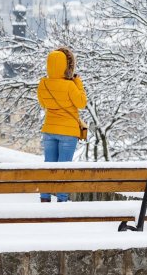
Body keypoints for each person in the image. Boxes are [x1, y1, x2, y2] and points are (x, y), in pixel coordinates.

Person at [36, 47, 87, 202]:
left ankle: (44, 198)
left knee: (48, 166)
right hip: (68, 133)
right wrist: (78, 82)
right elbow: (82, 103)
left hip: (49, 129)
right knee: (63, 168)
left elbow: (43, 104)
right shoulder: (70, 85)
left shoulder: (43, 84)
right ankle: (62, 200)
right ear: (66, 65)